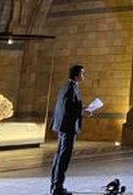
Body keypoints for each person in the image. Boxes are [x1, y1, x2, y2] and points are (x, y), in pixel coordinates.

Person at [50, 64, 93, 195]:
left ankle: (55, 186)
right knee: (63, 157)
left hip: (63, 126)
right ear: (76, 75)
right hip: (67, 127)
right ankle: (57, 188)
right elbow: (68, 108)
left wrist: (84, 108)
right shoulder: (71, 88)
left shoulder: (67, 87)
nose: (83, 76)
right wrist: (82, 113)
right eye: (82, 73)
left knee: (59, 156)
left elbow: (71, 105)